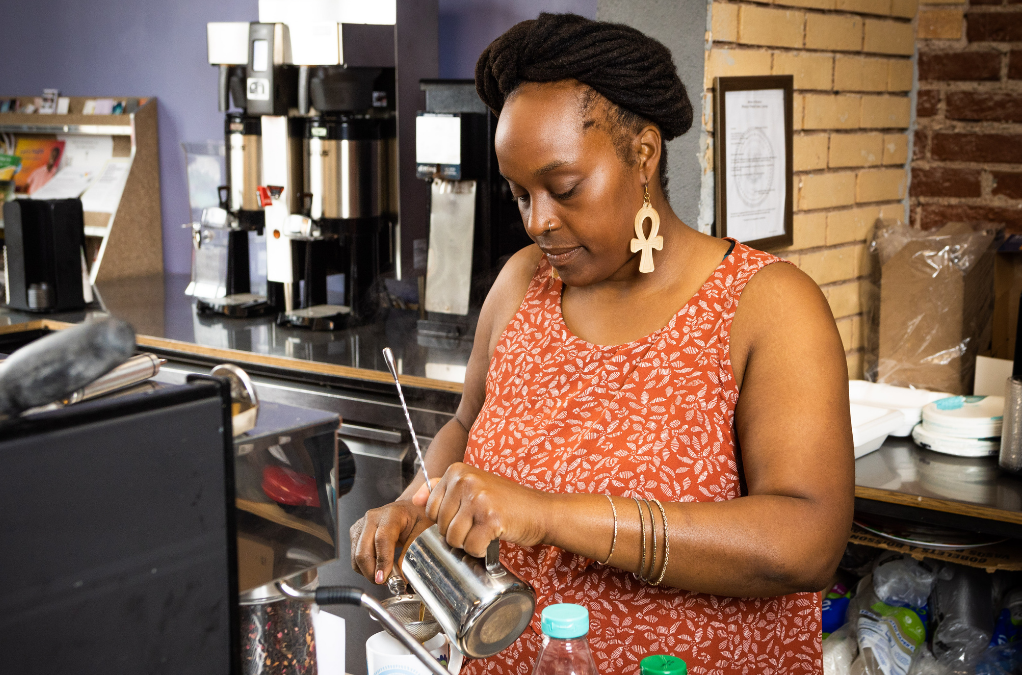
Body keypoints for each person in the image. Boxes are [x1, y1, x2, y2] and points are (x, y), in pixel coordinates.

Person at [351, 13, 854, 674]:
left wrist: (550, 515)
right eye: (519, 194)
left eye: (563, 189)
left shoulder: (768, 305)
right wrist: (419, 501)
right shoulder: (520, 284)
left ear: (643, 153)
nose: (538, 222)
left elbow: (806, 541)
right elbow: (465, 425)